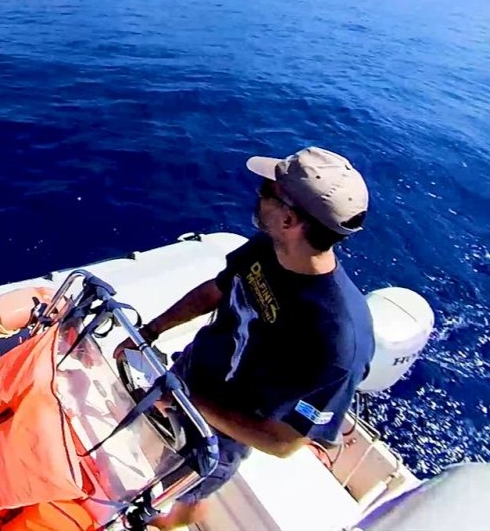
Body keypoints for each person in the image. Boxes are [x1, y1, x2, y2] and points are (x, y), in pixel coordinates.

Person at [116, 146, 375, 528]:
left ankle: (177, 519)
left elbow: (284, 442)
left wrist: (194, 402)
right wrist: (150, 332)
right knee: (148, 449)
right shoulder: (267, 247)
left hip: (222, 431)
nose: (257, 194)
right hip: (188, 378)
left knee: (172, 499)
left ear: (289, 219)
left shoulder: (339, 340)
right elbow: (216, 291)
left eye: (266, 192)